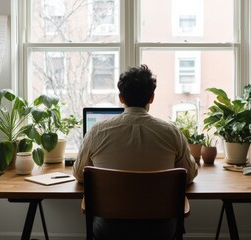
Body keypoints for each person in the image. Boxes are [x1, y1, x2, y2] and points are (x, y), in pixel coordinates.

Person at [73, 64, 198, 239]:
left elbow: (80, 174)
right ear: (152, 98)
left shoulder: (97, 132)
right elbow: (189, 174)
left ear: (121, 98)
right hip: (160, 229)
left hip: (110, 229)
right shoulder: (171, 132)